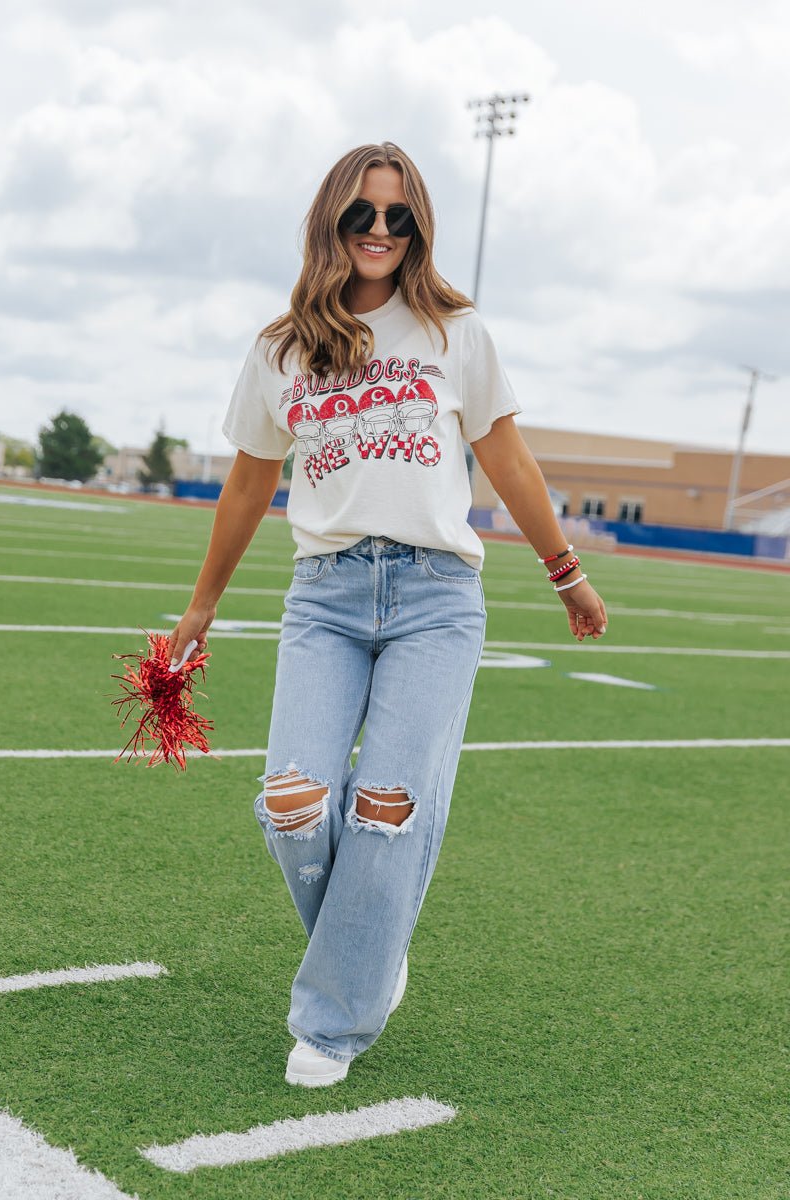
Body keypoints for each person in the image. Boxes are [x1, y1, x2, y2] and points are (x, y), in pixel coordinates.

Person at [167, 140, 608, 1089]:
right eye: (360, 214)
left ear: (418, 227)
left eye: (396, 215)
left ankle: (334, 1020)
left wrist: (565, 571)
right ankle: (373, 952)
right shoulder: (281, 349)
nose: (377, 230)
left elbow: (509, 463)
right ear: (331, 220)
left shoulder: (456, 332)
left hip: (434, 600)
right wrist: (201, 606)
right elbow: (248, 484)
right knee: (291, 807)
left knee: (388, 811)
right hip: (324, 599)